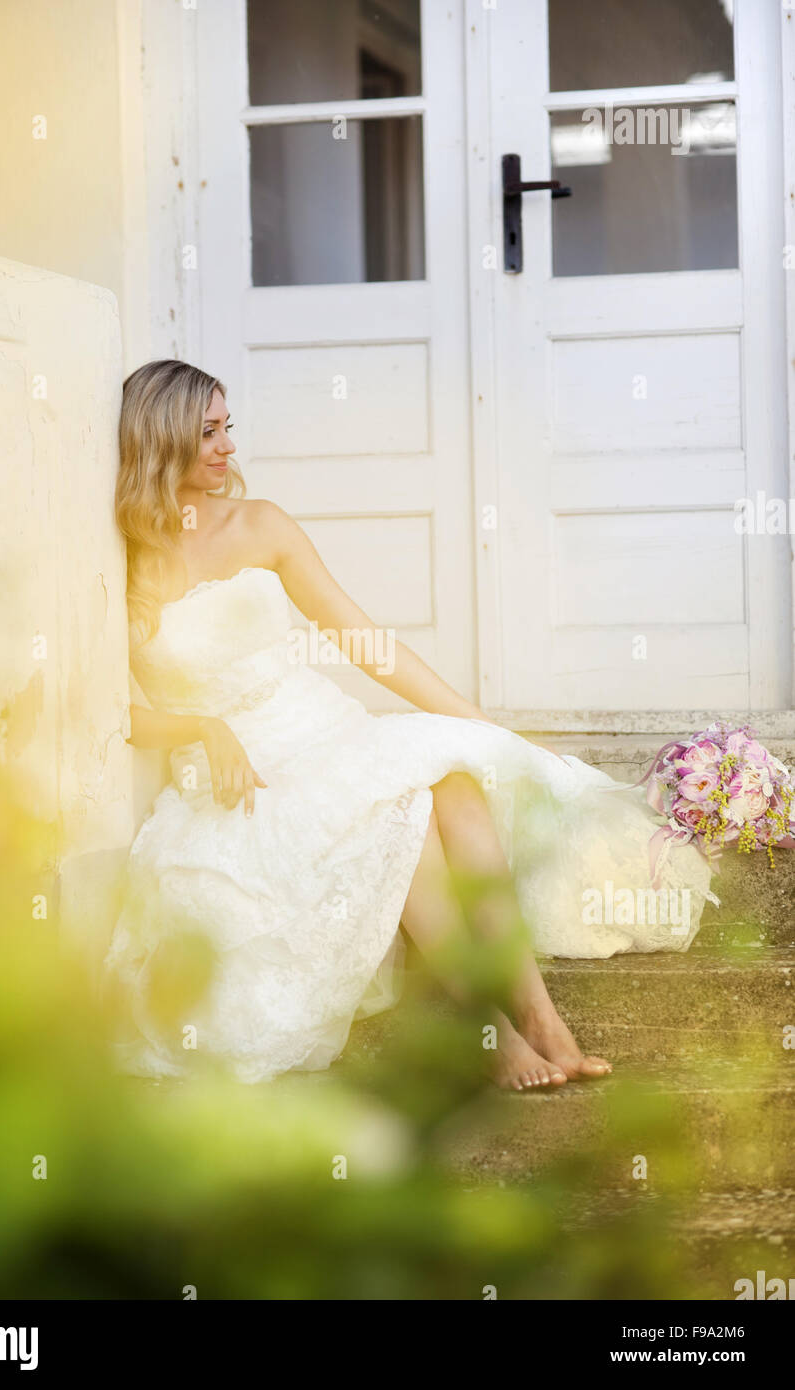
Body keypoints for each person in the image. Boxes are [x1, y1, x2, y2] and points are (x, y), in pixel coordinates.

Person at [104, 360, 716, 1090]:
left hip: (322, 729)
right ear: (162, 438)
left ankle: (540, 1017)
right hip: (241, 778)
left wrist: (480, 723)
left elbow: (369, 645)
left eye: (226, 428)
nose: (228, 448)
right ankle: (487, 1032)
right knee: (408, 815)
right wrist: (201, 727)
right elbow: (110, 714)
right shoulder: (121, 559)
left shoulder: (260, 524)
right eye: (208, 433)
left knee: (452, 778)